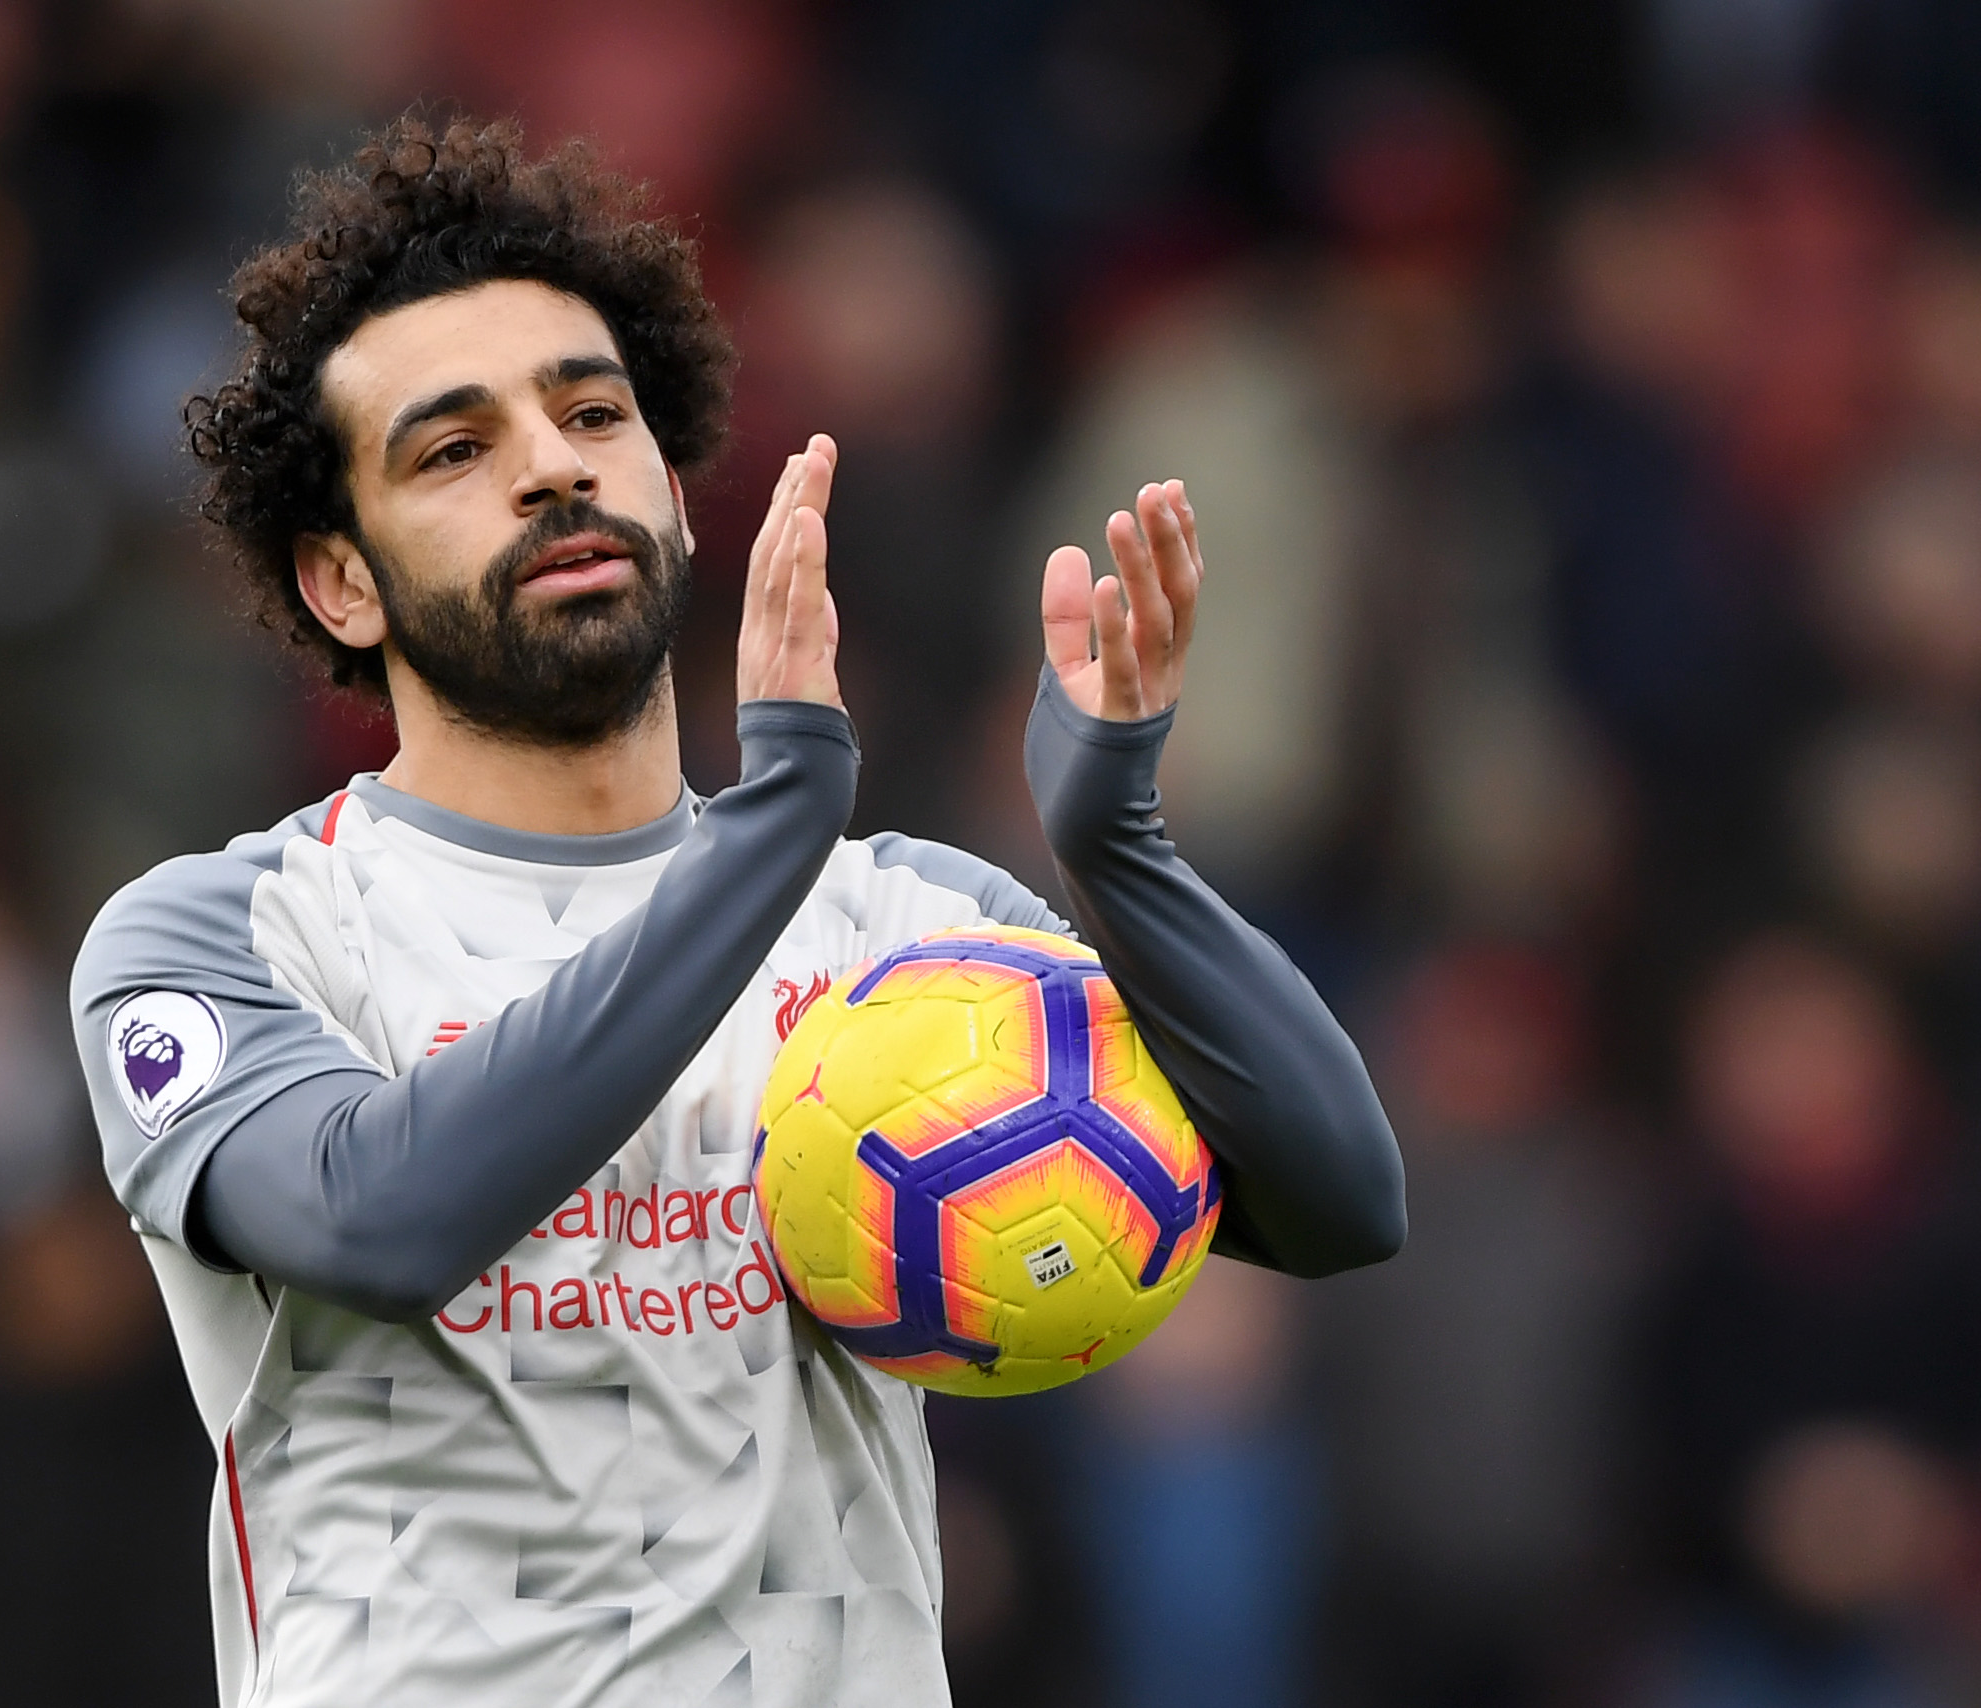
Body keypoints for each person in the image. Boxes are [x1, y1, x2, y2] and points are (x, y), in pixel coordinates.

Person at [68, 113, 1404, 1708]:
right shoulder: (224, 933)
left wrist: (1121, 852)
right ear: (340, 580)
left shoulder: (901, 928)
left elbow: (1334, 1203)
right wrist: (770, 833)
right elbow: (380, 1223)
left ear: (679, 491)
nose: (552, 464)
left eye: (592, 413)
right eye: (453, 450)